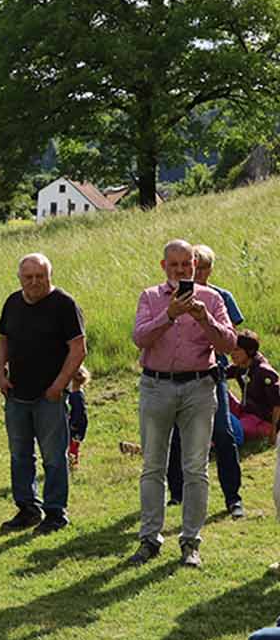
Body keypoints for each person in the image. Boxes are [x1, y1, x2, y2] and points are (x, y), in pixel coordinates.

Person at [129, 239, 237, 567]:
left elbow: (229, 344)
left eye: (186, 264)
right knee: (153, 466)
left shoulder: (212, 299)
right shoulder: (150, 297)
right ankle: (150, 538)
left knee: (195, 468)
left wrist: (205, 319)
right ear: (164, 267)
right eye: (174, 265)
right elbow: (140, 338)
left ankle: (191, 542)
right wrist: (169, 315)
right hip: (156, 385)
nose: (180, 270)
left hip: (199, 388)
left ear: (194, 265)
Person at [0, 252, 87, 536]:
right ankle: (27, 509)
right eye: (28, 277)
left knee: (53, 458)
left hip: (50, 396)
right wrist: (0, 372)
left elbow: (78, 349)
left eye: (40, 276)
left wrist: (59, 385)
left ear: (49, 276)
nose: (34, 282)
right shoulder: (12, 302)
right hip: (17, 395)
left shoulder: (65, 304)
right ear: (20, 278)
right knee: (20, 455)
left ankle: (56, 513)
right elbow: (3, 340)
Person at [168, 244, 247, 516]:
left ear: (210, 269)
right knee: (176, 435)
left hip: (214, 372)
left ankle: (233, 498)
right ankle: (176, 493)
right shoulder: (171, 296)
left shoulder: (221, 296)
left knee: (223, 433)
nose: (197, 273)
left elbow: (231, 336)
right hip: (179, 375)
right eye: (194, 267)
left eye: (202, 268)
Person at [230, 333, 279, 446]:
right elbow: (221, 373)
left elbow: (278, 404)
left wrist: (274, 431)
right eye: (231, 349)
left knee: (234, 429)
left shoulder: (264, 372)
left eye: (237, 350)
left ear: (250, 351)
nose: (232, 354)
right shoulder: (241, 366)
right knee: (218, 390)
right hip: (246, 412)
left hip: (261, 420)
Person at [67, 366, 90, 467]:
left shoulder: (76, 396)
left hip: (75, 425)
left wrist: (74, 424)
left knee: (73, 446)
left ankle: (73, 463)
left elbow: (79, 412)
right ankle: (72, 462)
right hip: (77, 424)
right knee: (73, 445)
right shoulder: (77, 394)